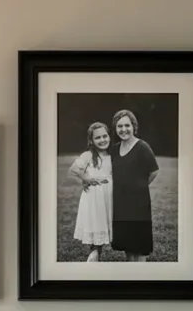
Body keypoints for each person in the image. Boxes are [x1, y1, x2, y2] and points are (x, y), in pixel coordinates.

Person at [109, 109, 159, 262]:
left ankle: (140, 279)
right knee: (128, 246)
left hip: (139, 204)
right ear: (116, 129)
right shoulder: (114, 149)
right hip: (120, 205)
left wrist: (139, 186)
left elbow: (154, 171)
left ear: (134, 126)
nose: (123, 129)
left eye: (127, 125)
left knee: (139, 247)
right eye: (119, 126)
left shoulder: (143, 147)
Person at [68, 121, 113, 261]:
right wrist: (86, 178)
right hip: (94, 197)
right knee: (96, 224)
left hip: (108, 195)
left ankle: (98, 253)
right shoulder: (88, 155)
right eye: (97, 138)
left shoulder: (112, 154)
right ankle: (94, 254)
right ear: (91, 141)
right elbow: (74, 169)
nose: (102, 140)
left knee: (105, 223)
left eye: (105, 136)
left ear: (109, 136)